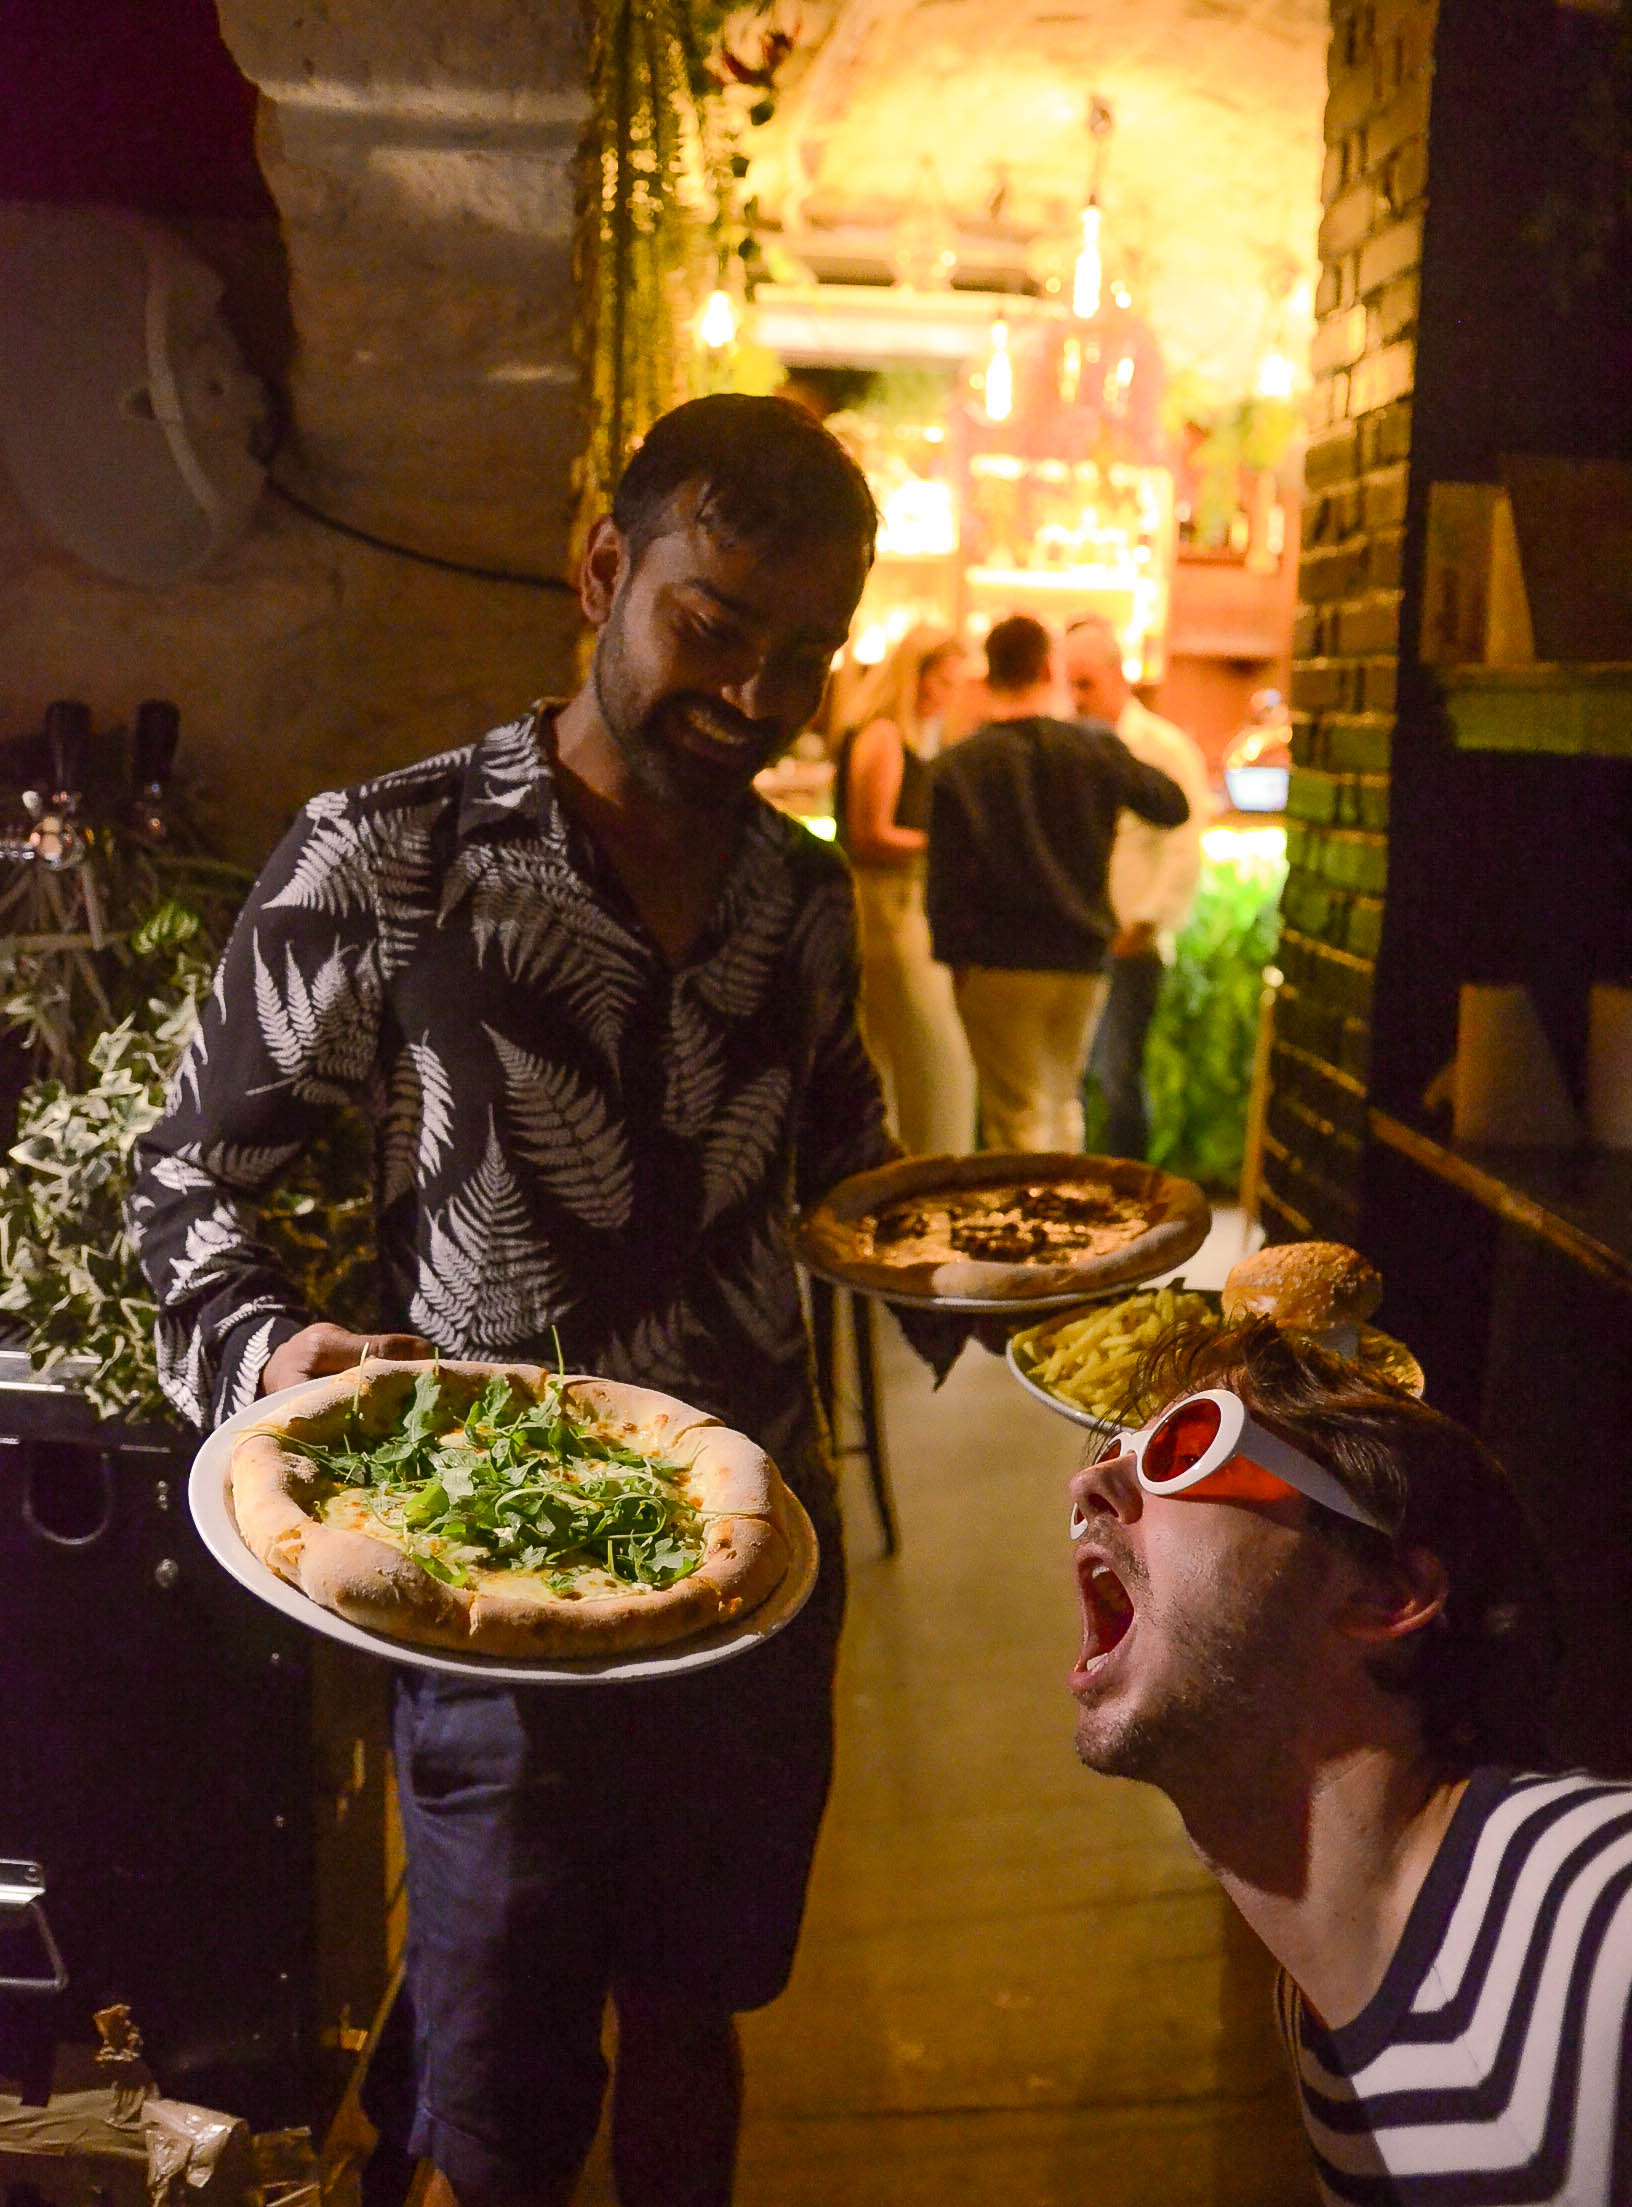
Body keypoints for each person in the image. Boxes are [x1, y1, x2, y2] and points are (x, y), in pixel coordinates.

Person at [126, 393, 935, 2207]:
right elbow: (179, 1180)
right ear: (601, 570)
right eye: (712, 623)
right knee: (499, 2072)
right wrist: (278, 1350)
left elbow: (839, 1168)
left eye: (804, 650)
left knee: (702, 2011)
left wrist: (975, 1260)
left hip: (752, 1565)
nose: (755, 691)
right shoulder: (390, 855)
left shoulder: (803, 900)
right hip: (496, 1587)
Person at [1067, 1317, 1632, 2203]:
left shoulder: (1604, 1915)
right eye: (1117, 1449)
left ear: (1385, 1593)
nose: (1090, 1482)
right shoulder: (1325, 2019)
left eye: (1185, 1445)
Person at [925, 612, 1190, 1153]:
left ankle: (1023, 1231)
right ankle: (1067, 1226)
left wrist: (953, 960)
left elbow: (945, 883)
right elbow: (1171, 804)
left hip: (996, 961)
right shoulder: (1092, 746)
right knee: (1065, 1104)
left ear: (986, 674)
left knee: (1013, 1114)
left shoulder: (957, 765)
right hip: (1082, 956)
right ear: (1050, 669)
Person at [1063, 614, 1211, 1161]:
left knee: (1117, 1074)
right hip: (1080, 935)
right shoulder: (1070, 743)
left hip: (1132, 939)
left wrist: (1144, 922)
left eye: (1086, 684)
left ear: (1117, 675)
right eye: (1069, 683)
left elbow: (1184, 845)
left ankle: (1132, 1203)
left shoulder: (1162, 747)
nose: (1076, 698)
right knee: (1074, 1079)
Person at [833, 625, 976, 1154]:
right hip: (889, 910)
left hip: (886, 908)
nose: (949, 694)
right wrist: (941, 844)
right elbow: (870, 832)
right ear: (912, 677)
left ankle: (897, 1177)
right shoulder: (885, 735)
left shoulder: (891, 733)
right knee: (941, 1061)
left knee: (887, 1058)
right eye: (943, 681)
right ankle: (940, 1173)